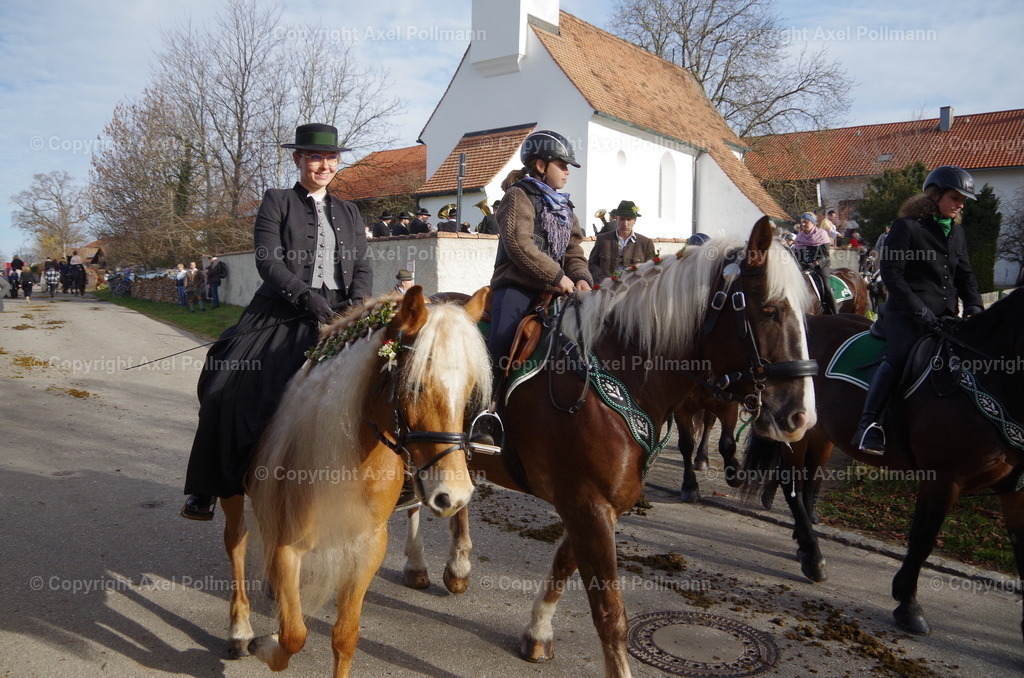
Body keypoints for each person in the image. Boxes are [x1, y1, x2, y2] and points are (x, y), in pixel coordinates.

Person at [181, 123, 372, 520]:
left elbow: (363, 265)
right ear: (297, 159)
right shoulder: (277, 200)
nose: (324, 165)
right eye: (316, 157)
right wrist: (305, 296)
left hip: (341, 312)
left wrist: (356, 305)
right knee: (224, 383)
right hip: (282, 310)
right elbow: (267, 260)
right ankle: (208, 487)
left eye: (331, 157)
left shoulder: (351, 211)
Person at [852, 165, 983, 454]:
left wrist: (974, 305)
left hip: (946, 314)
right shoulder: (907, 227)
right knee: (900, 357)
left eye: (963, 200)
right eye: (955, 197)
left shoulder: (956, 232)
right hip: (906, 313)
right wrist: (920, 310)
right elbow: (892, 275)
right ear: (934, 196)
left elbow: (964, 274)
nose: (960, 204)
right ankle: (869, 425)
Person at [488, 129, 593, 368]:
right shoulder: (518, 196)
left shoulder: (565, 207)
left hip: (555, 288)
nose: (567, 171)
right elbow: (520, 245)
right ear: (541, 165)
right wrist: (558, 276)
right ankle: (489, 401)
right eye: (562, 164)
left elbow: (573, 250)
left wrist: (580, 277)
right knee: (501, 345)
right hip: (517, 286)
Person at [587, 199, 656, 284]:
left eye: (629, 219)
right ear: (616, 219)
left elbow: (651, 271)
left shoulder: (645, 243)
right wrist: (602, 284)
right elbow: (592, 265)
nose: (625, 223)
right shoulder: (603, 240)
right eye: (622, 219)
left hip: (633, 292)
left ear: (634, 221)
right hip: (606, 292)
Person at [792, 212, 838, 314]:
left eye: (806, 222)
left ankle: (835, 313)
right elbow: (797, 255)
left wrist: (815, 263)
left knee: (826, 287)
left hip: (821, 264)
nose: (803, 224)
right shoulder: (799, 236)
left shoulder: (821, 234)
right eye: (802, 222)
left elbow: (826, 256)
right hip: (805, 265)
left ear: (813, 223)